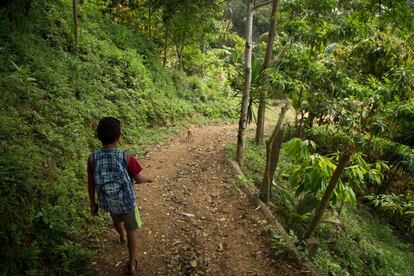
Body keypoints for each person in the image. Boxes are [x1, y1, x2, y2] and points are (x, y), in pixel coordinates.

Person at [87, 117, 153, 275]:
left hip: (109, 201)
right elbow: (138, 178)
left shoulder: (92, 157)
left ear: (98, 136)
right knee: (133, 231)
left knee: (116, 220)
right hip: (127, 203)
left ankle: (121, 235)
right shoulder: (126, 156)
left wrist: (92, 203)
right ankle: (131, 264)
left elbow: (91, 183)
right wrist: (149, 178)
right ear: (118, 137)